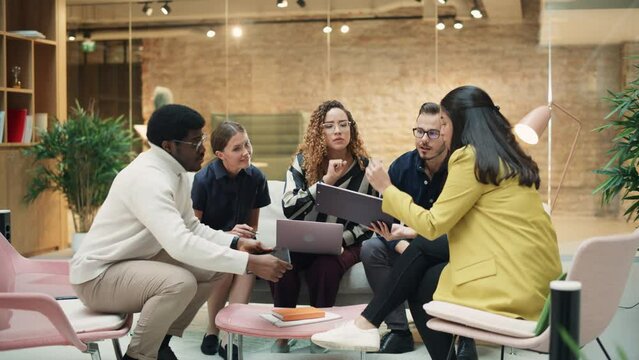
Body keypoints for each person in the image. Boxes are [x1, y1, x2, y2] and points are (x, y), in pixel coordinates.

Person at [311, 86, 562, 360]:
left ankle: (366, 323)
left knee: (421, 254)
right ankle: (374, 326)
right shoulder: (505, 156)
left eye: (443, 124)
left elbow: (434, 224)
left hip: (509, 281)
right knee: (425, 276)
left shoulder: (470, 158)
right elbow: (474, 222)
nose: (440, 133)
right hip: (538, 283)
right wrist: (407, 230)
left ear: (461, 121)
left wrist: (387, 188)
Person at [70, 104, 291, 360]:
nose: (203, 148)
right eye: (195, 141)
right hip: (98, 277)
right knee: (179, 283)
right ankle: (139, 355)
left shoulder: (173, 173)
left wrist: (236, 243)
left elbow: (191, 226)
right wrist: (249, 262)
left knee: (216, 267)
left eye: (203, 138)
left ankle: (161, 342)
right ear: (169, 146)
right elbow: (180, 244)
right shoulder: (149, 179)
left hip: (132, 261)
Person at [359, 102, 476, 358]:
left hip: (450, 246)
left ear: (446, 134)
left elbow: (459, 227)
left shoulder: (461, 168)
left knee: (429, 266)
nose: (424, 140)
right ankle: (400, 331)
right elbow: (386, 222)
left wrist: (411, 241)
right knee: (371, 248)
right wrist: (401, 245)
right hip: (408, 245)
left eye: (432, 133)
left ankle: (466, 337)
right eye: (419, 131)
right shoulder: (401, 166)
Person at [269, 99, 376, 353]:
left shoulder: (365, 168)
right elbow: (290, 206)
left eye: (343, 124)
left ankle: (320, 335)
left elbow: (369, 223)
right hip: (302, 241)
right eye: (329, 126)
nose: (338, 131)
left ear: (352, 128)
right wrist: (326, 181)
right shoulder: (303, 163)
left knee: (325, 268)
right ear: (320, 132)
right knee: (280, 264)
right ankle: (283, 336)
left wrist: (342, 240)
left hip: (345, 243)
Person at [191, 121, 271, 359]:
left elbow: (253, 223)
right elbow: (194, 229)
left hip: (242, 246)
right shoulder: (203, 179)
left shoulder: (256, 177)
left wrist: (247, 237)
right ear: (220, 154)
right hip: (211, 244)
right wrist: (227, 237)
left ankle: (230, 335)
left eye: (247, 144)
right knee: (226, 264)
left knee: (247, 265)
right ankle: (212, 329)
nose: (246, 151)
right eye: (237, 148)